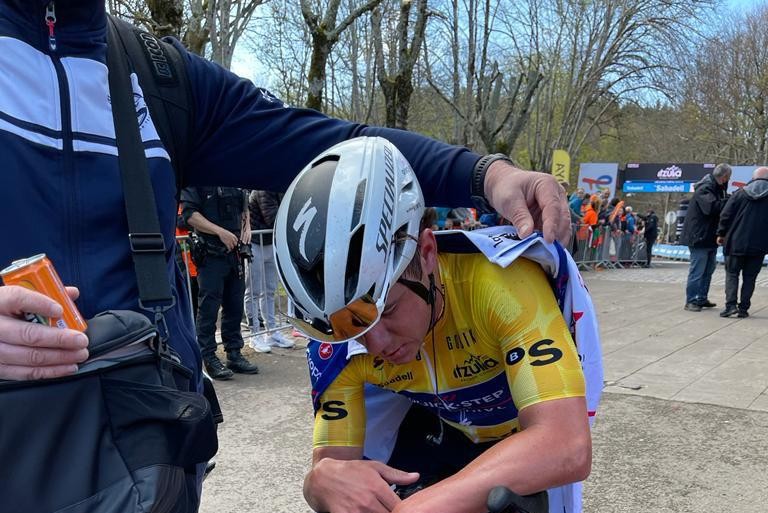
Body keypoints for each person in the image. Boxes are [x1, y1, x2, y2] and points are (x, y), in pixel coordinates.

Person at [0, 0, 569, 506]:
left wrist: (484, 174)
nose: (370, 342)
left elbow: (341, 146)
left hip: (145, 451)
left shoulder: (157, 73)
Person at [273, 138, 602, 513]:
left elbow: (566, 444)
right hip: (438, 431)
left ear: (427, 252)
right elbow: (338, 472)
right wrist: (318, 481)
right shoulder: (337, 335)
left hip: (520, 435)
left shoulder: (499, 284)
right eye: (354, 328)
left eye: (388, 310)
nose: (376, 343)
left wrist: (421, 506)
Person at [181, 186, 260, 379]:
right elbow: (189, 215)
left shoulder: (230, 179)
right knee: (209, 307)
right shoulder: (196, 180)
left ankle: (234, 353)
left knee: (234, 305)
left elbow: (244, 206)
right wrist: (220, 232)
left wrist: (247, 225)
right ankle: (207, 356)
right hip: (210, 254)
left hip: (234, 253)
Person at [245, 189, 295, 351]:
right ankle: (255, 335)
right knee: (253, 291)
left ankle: (271, 332)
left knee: (269, 290)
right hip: (254, 243)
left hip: (268, 242)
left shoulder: (278, 189)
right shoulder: (263, 190)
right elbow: (272, 218)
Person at [716, 167, 768, 318]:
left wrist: (721, 233)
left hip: (735, 242)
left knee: (732, 274)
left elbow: (725, 215)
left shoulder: (740, 193)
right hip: (759, 245)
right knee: (750, 277)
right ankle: (744, 308)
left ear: (754, 178)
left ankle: (730, 306)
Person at [680, 164, 732, 311]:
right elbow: (711, 208)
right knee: (697, 270)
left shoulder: (716, 188)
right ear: (725, 177)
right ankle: (691, 300)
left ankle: (701, 298)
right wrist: (730, 200)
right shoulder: (705, 188)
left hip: (708, 236)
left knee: (708, 269)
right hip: (699, 236)